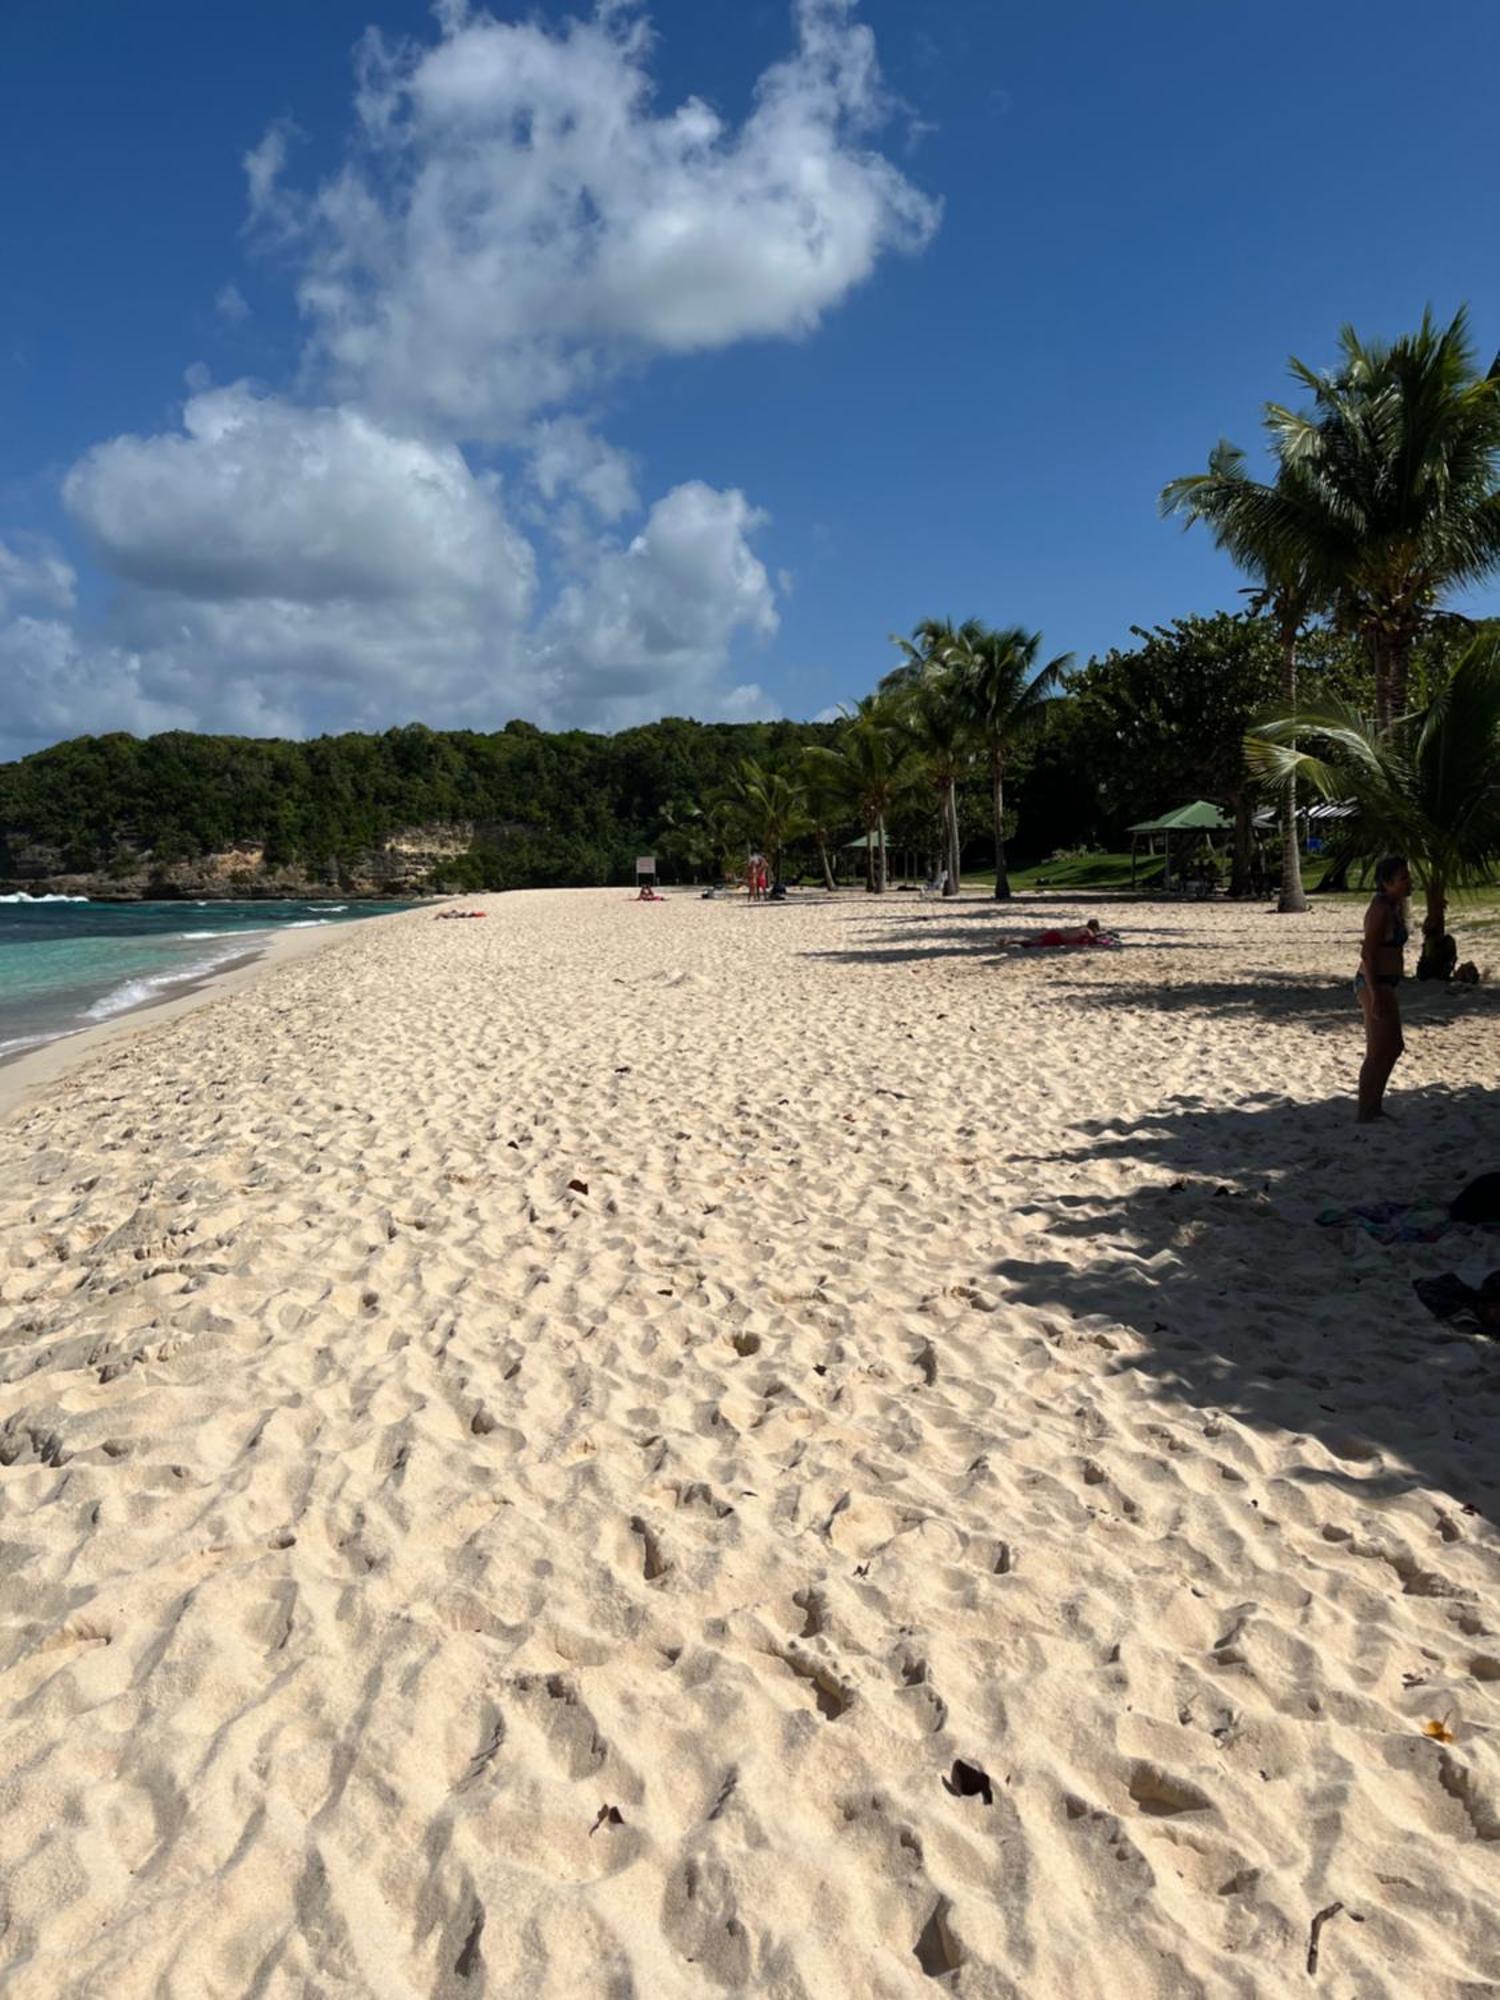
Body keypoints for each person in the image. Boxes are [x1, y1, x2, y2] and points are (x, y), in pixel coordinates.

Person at [1356, 854, 1411, 1123]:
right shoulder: (1379, 910)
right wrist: (1375, 993)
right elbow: (1367, 954)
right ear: (1386, 883)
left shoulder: (1394, 905)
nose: (1408, 882)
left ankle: (1373, 1106)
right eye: (1402, 878)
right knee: (1379, 1050)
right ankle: (1366, 1111)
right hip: (1373, 982)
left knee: (1392, 1047)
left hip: (1385, 982)